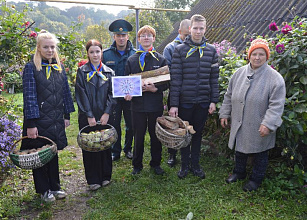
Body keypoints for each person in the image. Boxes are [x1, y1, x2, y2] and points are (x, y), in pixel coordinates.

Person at [219, 38, 286, 192]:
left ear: (267, 56)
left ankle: (256, 180)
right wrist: (224, 113)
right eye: (254, 53)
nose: (257, 57)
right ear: (249, 55)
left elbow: (276, 105)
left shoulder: (275, 79)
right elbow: (228, 95)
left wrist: (268, 124)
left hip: (259, 123)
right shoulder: (239, 73)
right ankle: (239, 173)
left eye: (261, 54)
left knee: (261, 153)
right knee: (240, 149)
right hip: (239, 122)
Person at [21, 30, 75, 202]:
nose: (50, 50)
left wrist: (66, 114)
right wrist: (31, 123)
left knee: (52, 151)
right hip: (37, 120)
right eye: (46, 47)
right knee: (38, 155)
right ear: (39, 48)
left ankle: (55, 187)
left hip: (55, 118)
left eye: (52, 47)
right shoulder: (31, 68)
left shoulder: (59, 67)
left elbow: (66, 92)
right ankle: (43, 190)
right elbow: (29, 96)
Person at [169, 14, 219, 179]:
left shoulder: (211, 51)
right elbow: (175, 79)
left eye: (201, 28)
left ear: (205, 29)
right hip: (185, 101)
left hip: (203, 101)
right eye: (195, 28)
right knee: (185, 133)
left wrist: (213, 100)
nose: (198, 31)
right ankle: (184, 165)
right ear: (189, 29)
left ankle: (196, 165)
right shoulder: (180, 50)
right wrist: (174, 104)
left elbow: (214, 78)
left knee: (197, 133)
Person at [124, 25, 168, 175]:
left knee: (156, 135)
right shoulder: (131, 60)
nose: (146, 38)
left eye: (150, 35)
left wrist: (155, 89)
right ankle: (137, 165)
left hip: (155, 105)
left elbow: (167, 82)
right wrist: (127, 93)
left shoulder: (161, 59)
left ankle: (156, 164)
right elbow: (126, 83)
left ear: (154, 38)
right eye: (143, 35)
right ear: (139, 39)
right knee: (138, 136)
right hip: (137, 106)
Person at [75, 39, 116, 191]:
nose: (95, 55)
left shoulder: (109, 72)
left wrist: (107, 112)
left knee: (104, 143)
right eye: (91, 52)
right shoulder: (82, 72)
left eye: (97, 51)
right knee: (90, 145)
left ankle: (106, 176)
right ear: (87, 53)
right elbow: (81, 94)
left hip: (105, 115)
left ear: (102, 52)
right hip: (88, 116)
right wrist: (89, 115)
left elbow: (112, 95)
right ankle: (93, 179)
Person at [103, 19, 136, 161]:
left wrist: (134, 92)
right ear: (114, 37)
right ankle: (115, 151)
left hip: (131, 97)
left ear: (128, 36)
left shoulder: (135, 54)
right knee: (114, 125)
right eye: (118, 35)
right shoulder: (106, 55)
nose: (121, 38)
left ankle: (128, 149)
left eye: (124, 35)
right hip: (113, 98)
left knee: (131, 125)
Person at [163, 19, 190, 167]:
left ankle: (186, 151)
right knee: (173, 124)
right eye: (185, 35)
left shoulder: (194, 47)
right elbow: (168, 72)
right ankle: (172, 154)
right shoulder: (170, 48)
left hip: (189, 93)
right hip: (175, 91)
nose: (188, 38)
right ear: (179, 32)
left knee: (186, 123)